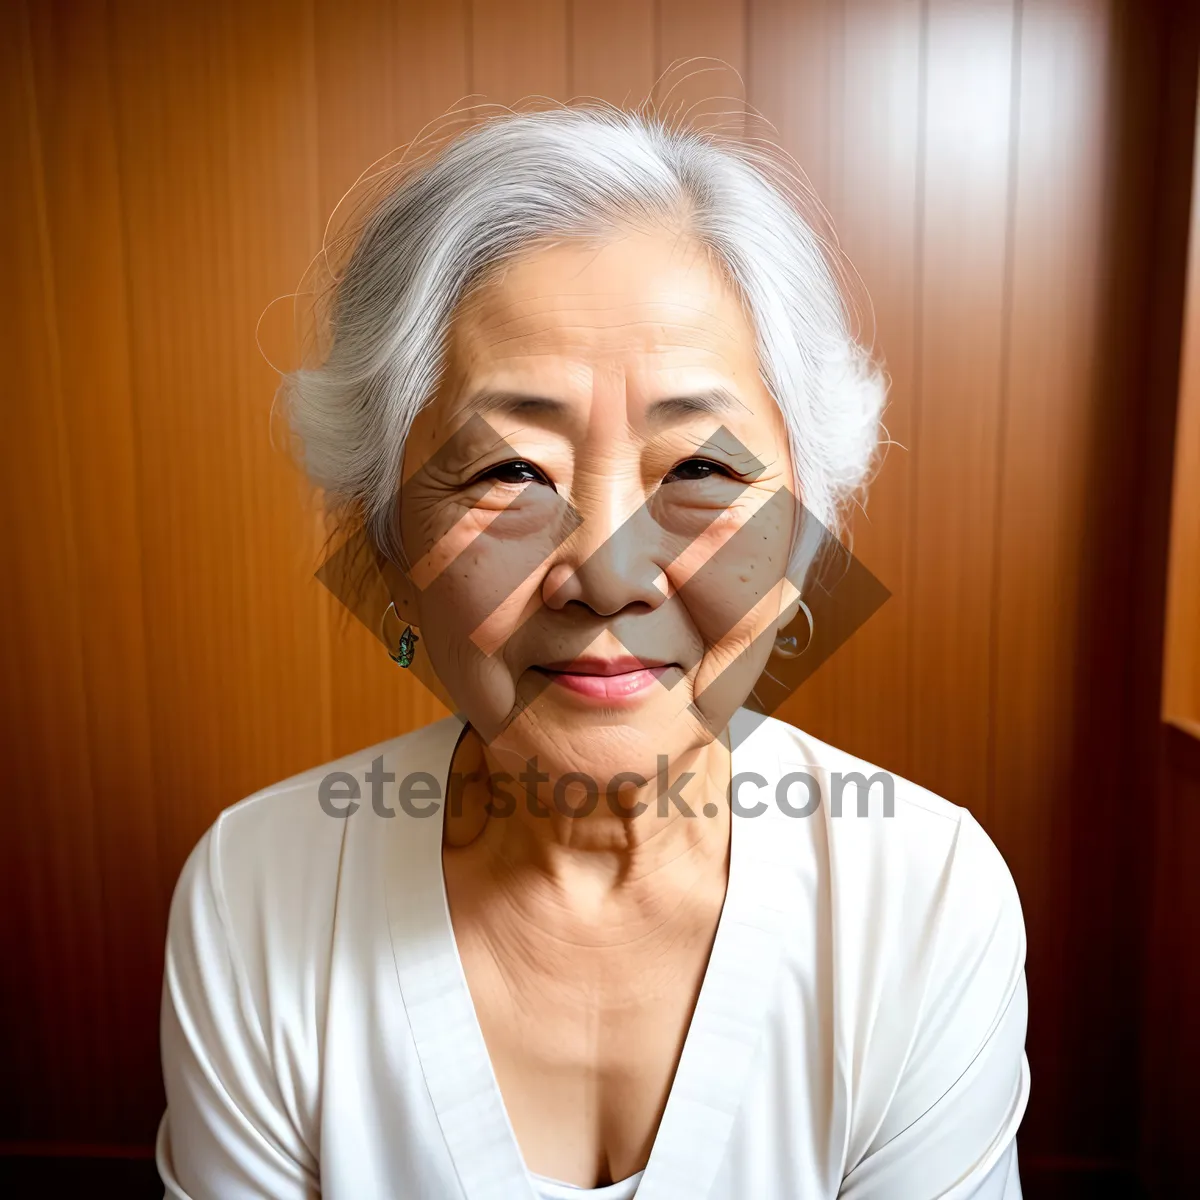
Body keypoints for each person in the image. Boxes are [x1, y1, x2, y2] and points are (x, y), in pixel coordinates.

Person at [156, 106, 1029, 1199]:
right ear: (388, 559)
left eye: (701, 471)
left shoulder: (926, 899)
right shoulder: (258, 896)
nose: (609, 574)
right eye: (510, 473)